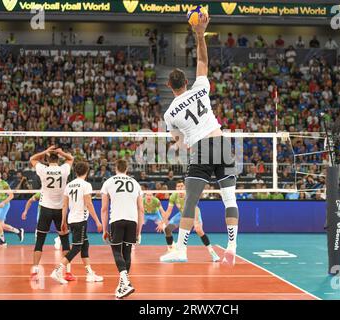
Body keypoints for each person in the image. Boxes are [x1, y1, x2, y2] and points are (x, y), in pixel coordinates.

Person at [161, 14, 239, 265]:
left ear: (169, 86)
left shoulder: (169, 113)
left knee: (190, 200)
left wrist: (183, 138)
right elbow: (203, 59)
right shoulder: (200, 88)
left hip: (202, 149)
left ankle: (181, 250)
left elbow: (177, 139)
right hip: (222, 142)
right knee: (230, 200)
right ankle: (232, 245)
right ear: (187, 82)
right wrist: (199, 33)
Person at [50, 162, 103, 284]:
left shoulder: (69, 185)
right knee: (77, 247)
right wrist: (97, 221)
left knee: (85, 245)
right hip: (80, 220)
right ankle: (57, 271)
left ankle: (89, 273)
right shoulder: (86, 185)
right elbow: (89, 204)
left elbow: (64, 205)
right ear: (87, 172)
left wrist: (63, 221)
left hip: (71, 220)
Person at [29, 146, 75, 282]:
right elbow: (71, 158)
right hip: (60, 209)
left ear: (47, 159)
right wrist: (61, 152)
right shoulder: (64, 169)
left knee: (40, 241)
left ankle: (35, 270)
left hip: (45, 209)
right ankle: (67, 272)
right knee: (65, 242)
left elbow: (32, 159)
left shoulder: (43, 169)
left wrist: (45, 151)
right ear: (58, 158)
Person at [101, 159, 144, 299]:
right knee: (127, 253)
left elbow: (104, 209)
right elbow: (141, 209)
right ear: (127, 169)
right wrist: (139, 231)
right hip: (132, 221)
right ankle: (122, 288)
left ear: (115, 168)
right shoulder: (136, 183)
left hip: (117, 220)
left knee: (116, 251)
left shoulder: (108, 182)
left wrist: (104, 229)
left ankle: (126, 282)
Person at [161, 180, 220, 262]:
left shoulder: (190, 195)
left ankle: (212, 252)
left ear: (185, 187)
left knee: (199, 230)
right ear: (176, 188)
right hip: (182, 214)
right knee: (167, 229)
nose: (180, 188)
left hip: (194, 212)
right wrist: (162, 222)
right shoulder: (173, 196)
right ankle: (171, 249)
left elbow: (195, 208)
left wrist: (196, 221)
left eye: (182, 186)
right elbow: (168, 211)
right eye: (178, 186)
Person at [0, 170, 24, 246]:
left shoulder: (4, 184)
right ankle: (18, 231)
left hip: (4, 205)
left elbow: (11, 195)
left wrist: (3, 202)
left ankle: (2, 241)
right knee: (2, 225)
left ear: (1, 175)